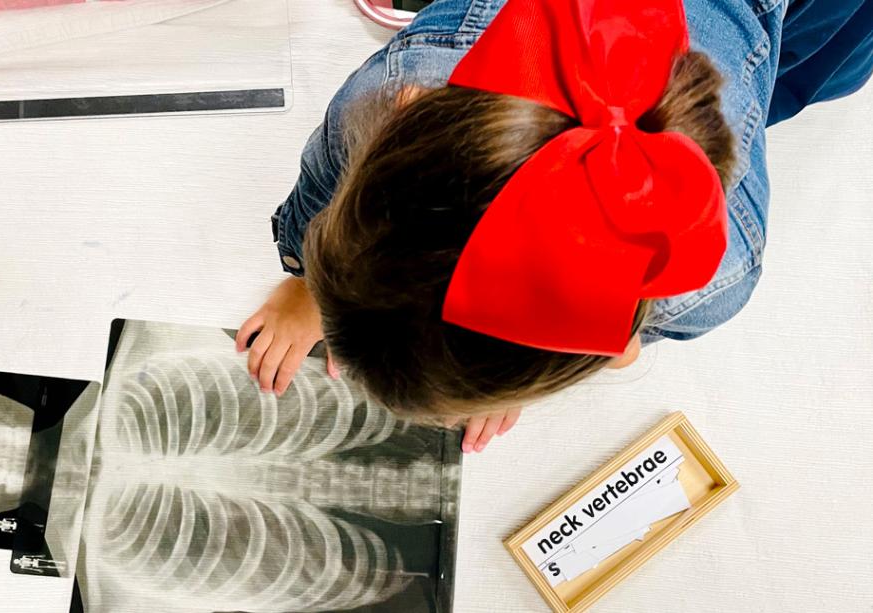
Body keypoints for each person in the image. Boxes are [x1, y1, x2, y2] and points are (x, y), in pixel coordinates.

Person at [236, 0, 873, 453]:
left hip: (783, 22)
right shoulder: (399, 83)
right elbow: (327, 180)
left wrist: (516, 354)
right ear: (401, 114)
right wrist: (304, 281)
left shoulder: (719, 266)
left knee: (809, 66)